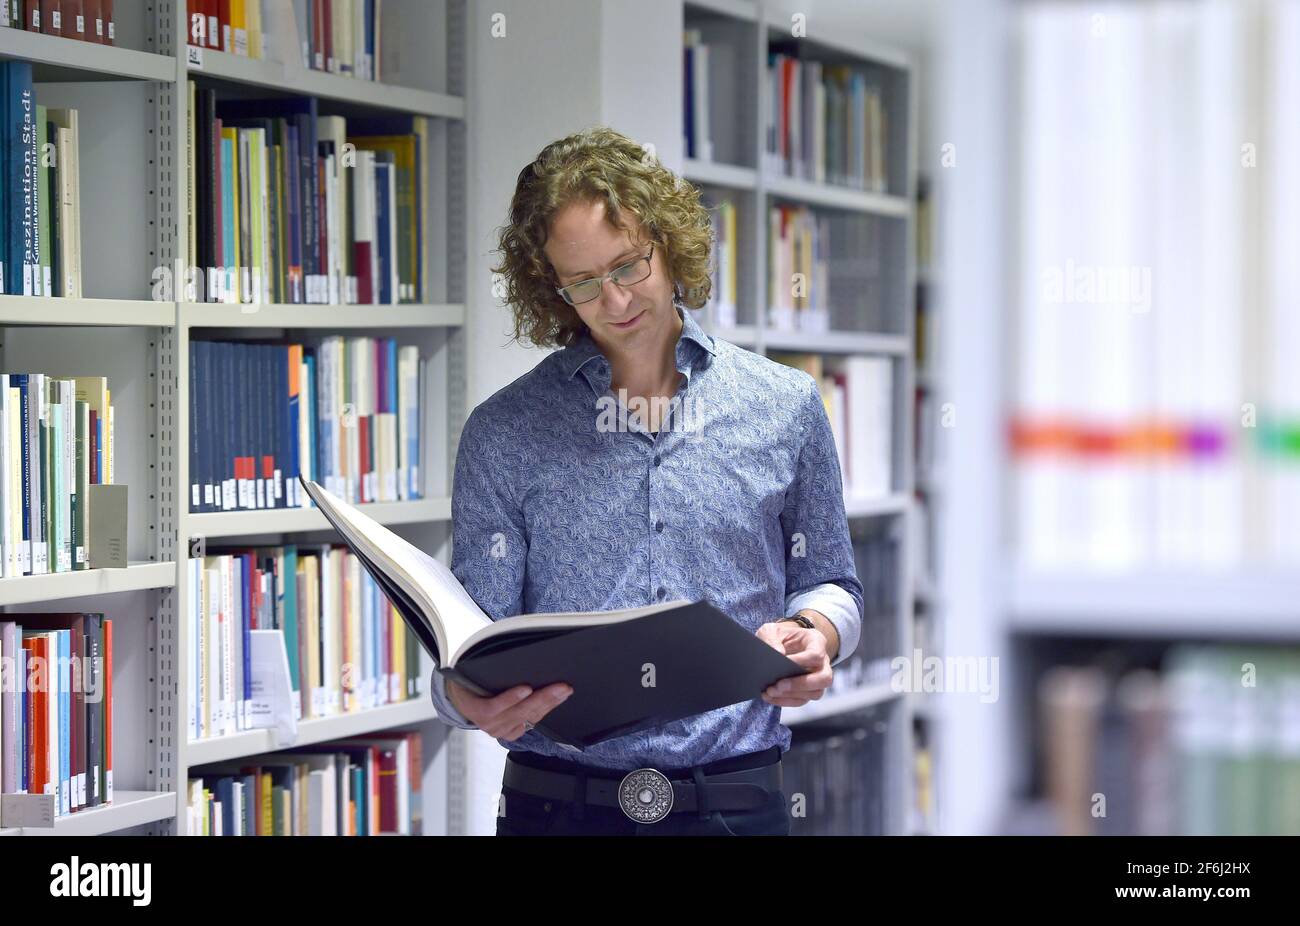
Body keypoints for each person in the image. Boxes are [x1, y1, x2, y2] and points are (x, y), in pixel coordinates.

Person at [428, 125, 864, 835]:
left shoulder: (784, 406)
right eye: (583, 283)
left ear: (667, 241)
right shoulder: (503, 432)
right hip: (555, 806)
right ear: (551, 286)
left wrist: (818, 632)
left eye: (629, 266)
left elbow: (832, 582)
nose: (615, 300)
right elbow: (472, 642)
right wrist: (457, 697)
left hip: (733, 801)